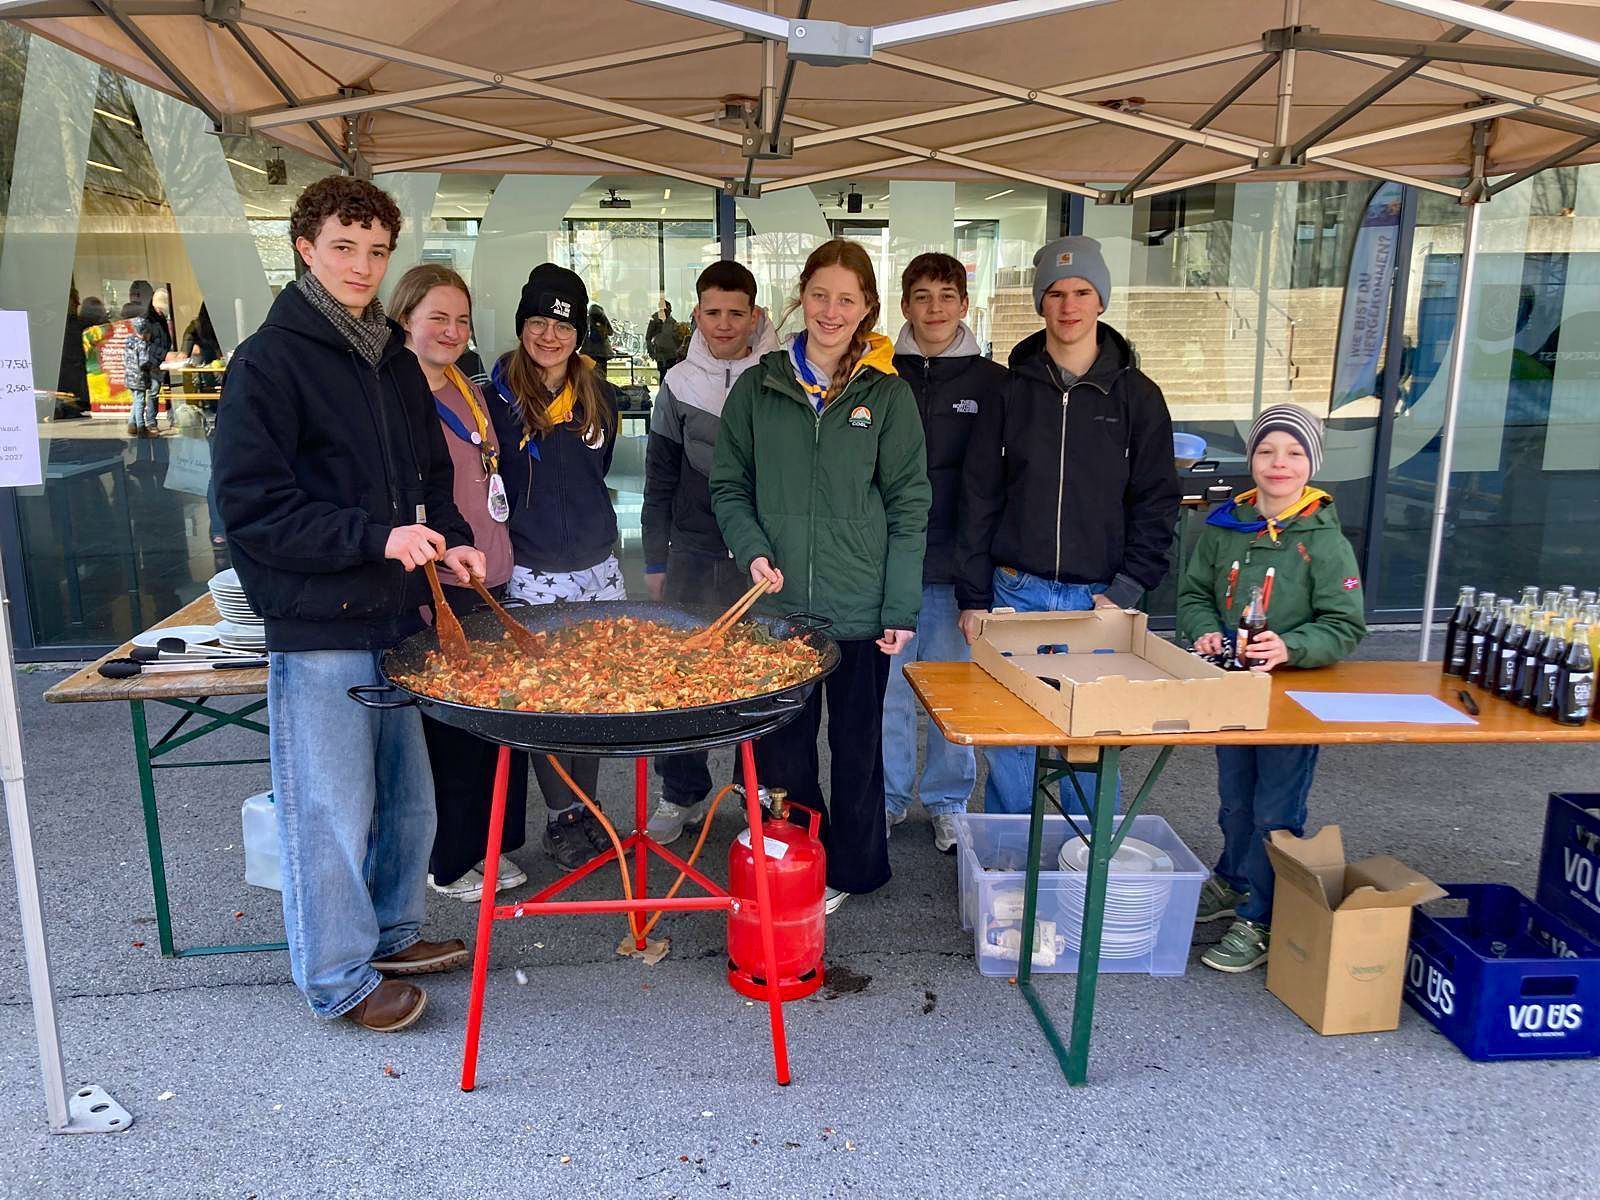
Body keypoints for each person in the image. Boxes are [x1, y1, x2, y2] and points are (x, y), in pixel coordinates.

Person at [214, 175, 483, 1033]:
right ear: (304, 248)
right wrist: (374, 538)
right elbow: (253, 509)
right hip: (317, 623)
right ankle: (336, 977)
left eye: (375, 251)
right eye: (342, 247)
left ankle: (392, 934)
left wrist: (451, 538)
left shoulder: (393, 358)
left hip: (398, 615)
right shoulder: (269, 360)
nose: (361, 265)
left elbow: (429, 477)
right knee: (329, 810)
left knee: (407, 799)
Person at [710, 238, 930, 915]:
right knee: (785, 751)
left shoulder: (886, 395)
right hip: (779, 611)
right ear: (800, 297)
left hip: (860, 606)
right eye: (819, 295)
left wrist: (900, 606)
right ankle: (797, 862)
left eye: (846, 299)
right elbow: (728, 485)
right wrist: (751, 550)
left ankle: (857, 868)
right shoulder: (759, 387)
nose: (831, 311)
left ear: (866, 308)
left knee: (858, 748)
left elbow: (909, 504)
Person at [955, 236, 1180, 814]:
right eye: (1055, 294)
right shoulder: (1009, 393)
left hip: (1097, 599)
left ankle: (1085, 861)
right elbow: (979, 497)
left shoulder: (1138, 397)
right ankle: (1009, 857)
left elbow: (1157, 501)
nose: (1069, 305)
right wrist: (974, 596)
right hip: (1015, 591)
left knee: (1092, 741)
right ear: (1040, 303)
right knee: (1011, 740)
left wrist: (1125, 589)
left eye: (1082, 292)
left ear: (1101, 300)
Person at [1178, 404, 1367, 972]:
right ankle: (1234, 879)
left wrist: (1291, 647)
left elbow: (1345, 625)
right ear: (1252, 459)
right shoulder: (1225, 526)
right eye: (1266, 451)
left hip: (1291, 701)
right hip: (1233, 691)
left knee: (1274, 811)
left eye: (1294, 453)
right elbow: (1193, 595)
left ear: (1313, 464)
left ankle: (1262, 915)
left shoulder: (1323, 540)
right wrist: (1203, 629)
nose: (1279, 463)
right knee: (1235, 801)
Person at [391, 263, 530, 905]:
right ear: (405, 319)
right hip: (439, 581)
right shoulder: (394, 396)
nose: (451, 331)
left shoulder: (467, 387)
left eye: (461, 320)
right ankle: (450, 860)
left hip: (489, 571)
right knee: (453, 726)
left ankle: (492, 843)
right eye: (437, 318)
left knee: (501, 714)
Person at [488, 263, 623, 871]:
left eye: (563, 325)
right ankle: (561, 816)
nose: (550, 335)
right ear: (522, 326)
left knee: (593, 693)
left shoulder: (599, 397)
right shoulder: (495, 399)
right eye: (538, 322)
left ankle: (588, 807)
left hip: (597, 567)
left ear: (578, 333)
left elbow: (599, 473)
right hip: (533, 570)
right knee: (544, 698)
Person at [640, 260, 778, 844]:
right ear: (696, 314)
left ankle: (758, 790)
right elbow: (659, 478)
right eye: (713, 312)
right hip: (692, 554)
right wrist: (655, 559)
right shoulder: (676, 384)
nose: (724, 324)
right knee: (681, 676)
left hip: (761, 558)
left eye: (736, 313)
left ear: (755, 315)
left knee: (763, 677)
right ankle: (682, 793)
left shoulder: (779, 376)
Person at [884, 253, 1007, 854]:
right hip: (888, 566)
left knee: (953, 692)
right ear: (905, 305)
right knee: (888, 694)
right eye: (922, 296)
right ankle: (886, 799)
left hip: (958, 568)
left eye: (946, 296)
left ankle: (948, 802)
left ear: (964, 303)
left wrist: (980, 575)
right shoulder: (880, 374)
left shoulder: (993, 383)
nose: (935, 308)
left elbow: (997, 484)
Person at [118, 301, 152, 437]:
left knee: (136, 401)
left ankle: (132, 425)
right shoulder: (142, 344)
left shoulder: (129, 341)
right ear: (144, 332)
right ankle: (141, 428)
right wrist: (154, 367)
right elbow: (144, 362)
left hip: (130, 377)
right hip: (139, 378)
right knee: (140, 402)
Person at [646, 298, 682, 380]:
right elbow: (648, 337)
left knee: (673, 375)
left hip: (672, 353)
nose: (670, 311)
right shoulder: (655, 320)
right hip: (661, 353)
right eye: (668, 309)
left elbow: (676, 336)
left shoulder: (672, 321)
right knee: (663, 375)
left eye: (670, 310)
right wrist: (651, 351)